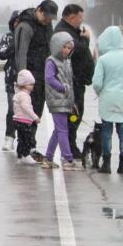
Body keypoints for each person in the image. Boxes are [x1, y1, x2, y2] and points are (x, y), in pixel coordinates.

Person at [55, 4, 95, 159]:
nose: (82, 20)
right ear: (71, 17)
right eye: (80, 17)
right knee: (73, 114)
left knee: (76, 113)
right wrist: (86, 40)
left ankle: (70, 145)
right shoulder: (62, 31)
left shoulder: (73, 30)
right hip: (70, 81)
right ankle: (69, 147)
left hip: (78, 80)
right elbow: (75, 49)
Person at [92, 26, 123, 174]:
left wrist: (100, 91)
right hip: (122, 98)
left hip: (107, 98)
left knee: (106, 132)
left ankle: (106, 163)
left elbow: (96, 82)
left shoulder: (103, 59)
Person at [14, 0, 58, 120]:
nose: (48, 21)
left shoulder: (48, 26)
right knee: (26, 116)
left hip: (42, 77)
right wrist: (23, 81)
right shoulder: (26, 26)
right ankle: (27, 139)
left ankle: (30, 138)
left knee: (36, 114)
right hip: (29, 78)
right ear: (39, 10)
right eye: (46, 17)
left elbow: (50, 49)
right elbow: (21, 54)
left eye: (50, 19)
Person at [42, 31, 77, 170]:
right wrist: (62, 88)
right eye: (65, 47)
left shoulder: (67, 62)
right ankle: (68, 159)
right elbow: (49, 78)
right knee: (63, 130)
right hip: (56, 100)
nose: (67, 50)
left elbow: (69, 82)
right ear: (57, 46)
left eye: (70, 48)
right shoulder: (51, 61)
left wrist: (71, 101)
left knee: (58, 130)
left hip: (64, 100)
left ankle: (48, 158)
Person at [0, 11, 19, 151]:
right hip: (12, 79)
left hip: (29, 79)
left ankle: (27, 141)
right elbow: (1, 53)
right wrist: (15, 43)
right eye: (16, 21)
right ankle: (9, 138)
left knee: (28, 110)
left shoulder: (32, 36)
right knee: (12, 109)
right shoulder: (8, 37)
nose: (18, 24)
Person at [12, 69, 40, 164]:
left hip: (17, 120)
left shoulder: (18, 94)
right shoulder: (25, 96)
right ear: (24, 85)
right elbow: (26, 108)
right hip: (23, 120)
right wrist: (35, 117)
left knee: (21, 138)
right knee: (28, 138)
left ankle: (20, 155)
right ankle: (26, 154)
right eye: (30, 84)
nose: (32, 86)